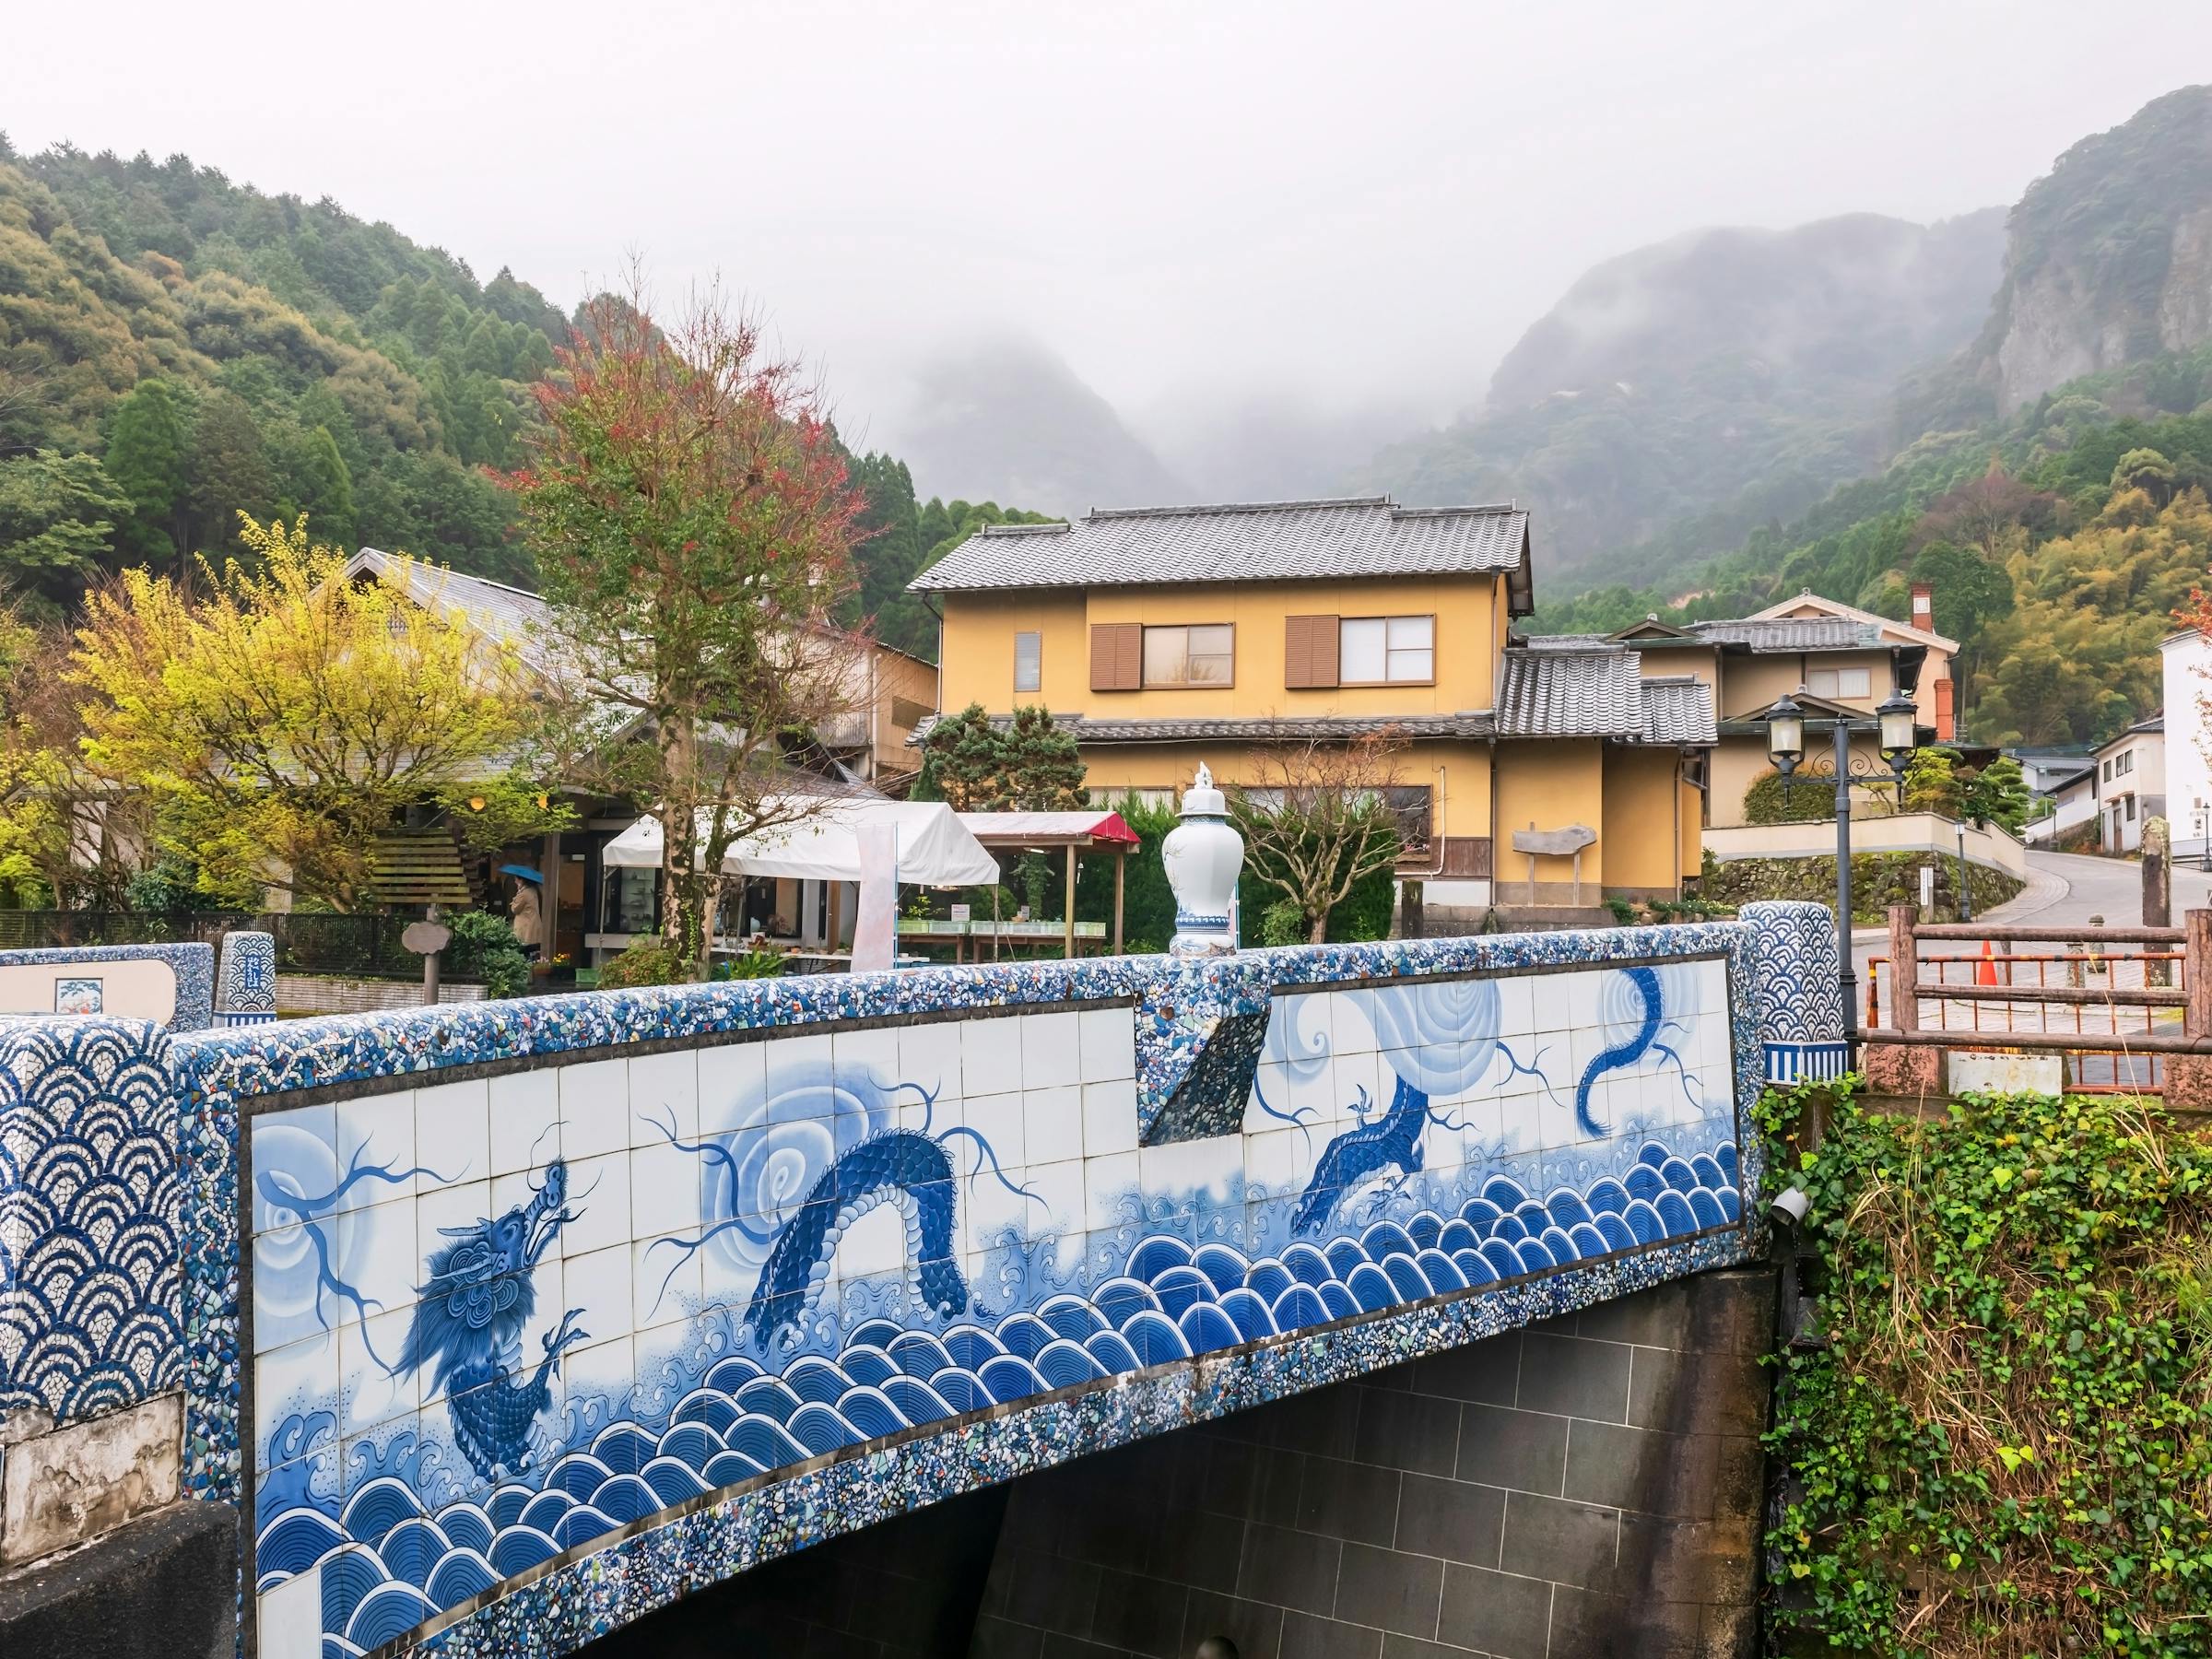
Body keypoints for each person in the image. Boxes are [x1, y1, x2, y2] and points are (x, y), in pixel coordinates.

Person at [508, 876, 543, 951]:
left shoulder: (524, 894)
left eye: (516, 880)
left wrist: (517, 896)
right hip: (533, 925)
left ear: (522, 880)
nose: (515, 882)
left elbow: (515, 909)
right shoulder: (533, 890)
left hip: (525, 927)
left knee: (524, 950)